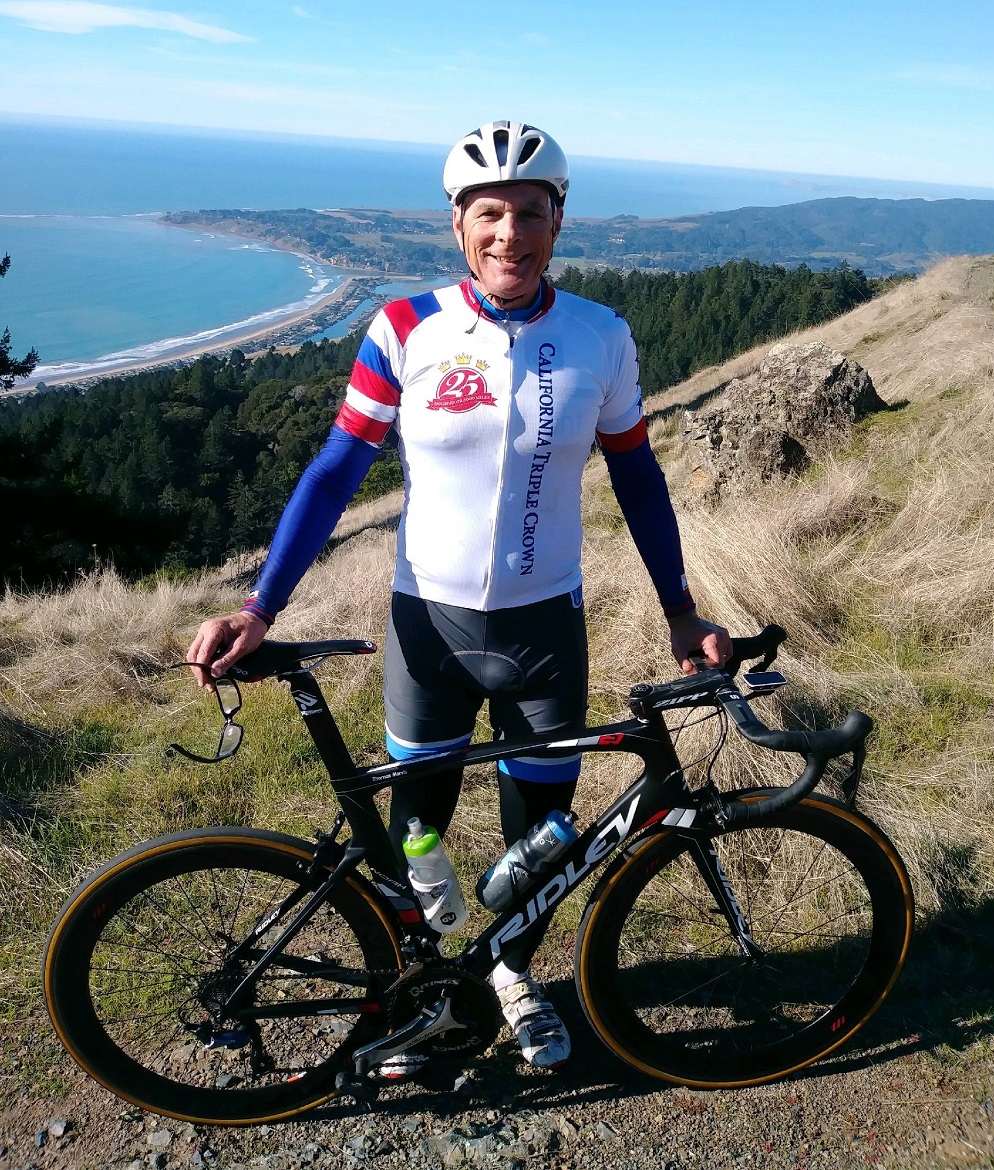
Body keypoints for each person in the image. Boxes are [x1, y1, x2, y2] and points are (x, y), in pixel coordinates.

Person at [188, 120, 732, 1073]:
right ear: (457, 223)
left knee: (542, 838)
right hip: (426, 629)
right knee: (420, 831)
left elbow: (638, 479)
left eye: (530, 213)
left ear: (558, 220)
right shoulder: (405, 329)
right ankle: (419, 988)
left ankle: (514, 975)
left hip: (543, 632)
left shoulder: (600, 336)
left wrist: (679, 607)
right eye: (489, 213)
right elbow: (334, 471)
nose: (508, 234)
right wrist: (258, 606)